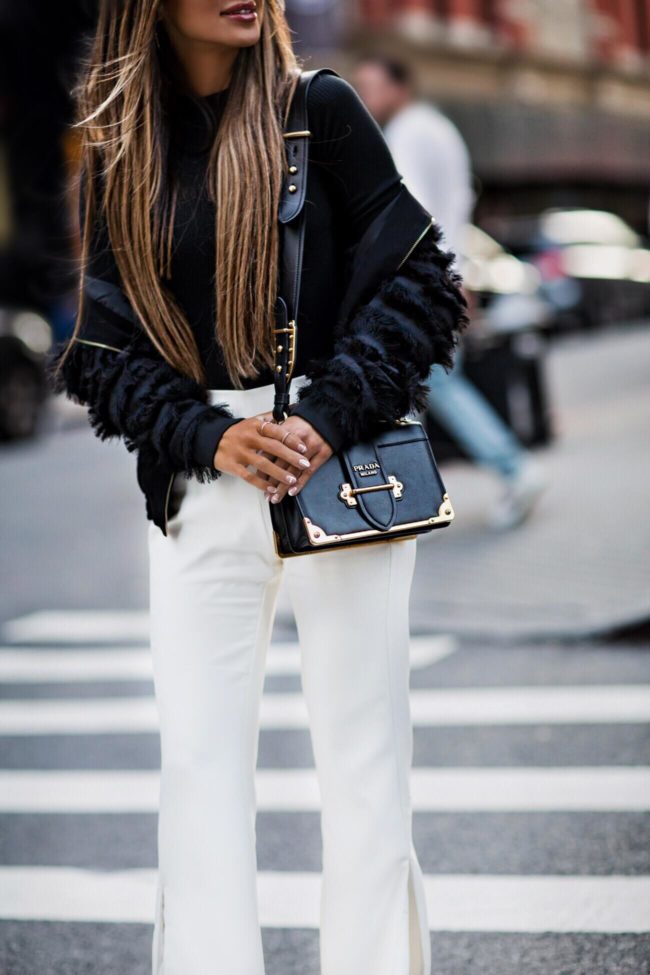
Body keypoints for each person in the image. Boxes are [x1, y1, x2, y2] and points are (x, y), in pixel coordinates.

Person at [48, 3, 468, 973]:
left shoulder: (318, 111)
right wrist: (213, 435)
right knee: (198, 775)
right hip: (204, 484)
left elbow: (421, 283)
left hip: (340, 468)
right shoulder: (122, 149)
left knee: (364, 774)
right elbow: (103, 352)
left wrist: (323, 416)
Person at [354, 54, 548, 530]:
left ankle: (510, 470)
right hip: (439, 278)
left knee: (423, 385)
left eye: (370, 85)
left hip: (419, 285)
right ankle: (397, 497)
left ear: (400, 86)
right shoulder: (437, 128)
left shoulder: (409, 134)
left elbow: (411, 214)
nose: (363, 97)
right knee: (414, 388)